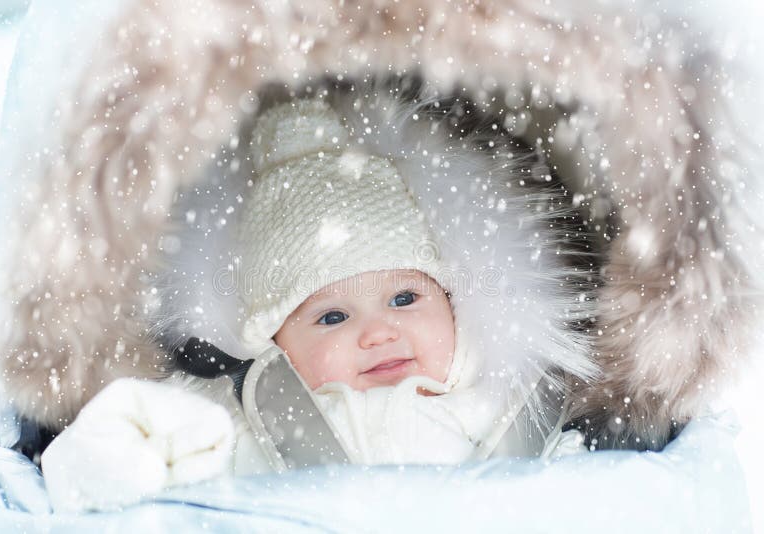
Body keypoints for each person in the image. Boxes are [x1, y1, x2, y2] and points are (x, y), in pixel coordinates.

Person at [41, 98, 590, 512]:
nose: (378, 332)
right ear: (274, 342)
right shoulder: (236, 420)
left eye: (404, 297)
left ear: (451, 302)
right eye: (332, 317)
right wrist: (103, 459)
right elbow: (134, 439)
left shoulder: (514, 400)